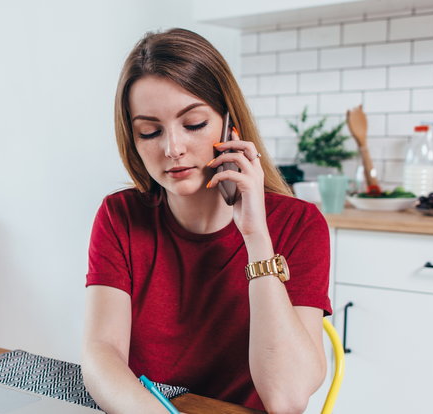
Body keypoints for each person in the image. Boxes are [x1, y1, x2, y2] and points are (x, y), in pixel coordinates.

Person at [81, 28, 332, 414]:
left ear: (230, 126)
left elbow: (286, 398)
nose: (172, 149)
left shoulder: (299, 225)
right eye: (149, 131)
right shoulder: (120, 217)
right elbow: (101, 353)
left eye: (194, 124)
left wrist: (255, 235)